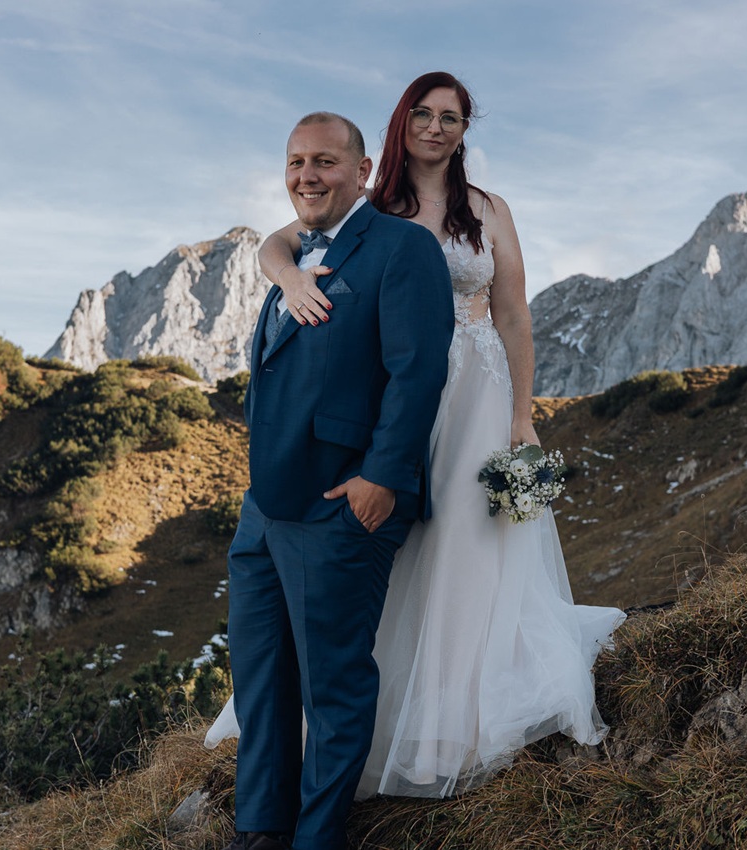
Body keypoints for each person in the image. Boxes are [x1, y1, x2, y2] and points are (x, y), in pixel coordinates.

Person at [212, 73, 625, 804]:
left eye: (451, 118)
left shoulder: (489, 210)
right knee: (384, 548)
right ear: (400, 125)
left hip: (475, 394)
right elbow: (279, 242)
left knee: (466, 543)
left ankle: (448, 723)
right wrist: (288, 280)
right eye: (423, 115)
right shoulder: (370, 206)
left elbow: (513, 313)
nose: (436, 128)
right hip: (393, 393)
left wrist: (522, 415)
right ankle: (363, 713)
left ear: (465, 130)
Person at [215, 111, 454, 850]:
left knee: (333, 686)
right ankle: (260, 828)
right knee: (260, 678)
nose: (306, 175)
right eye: (295, 162)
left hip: (339, 505)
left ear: (362, 171)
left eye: (323, 161)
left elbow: (418, 371)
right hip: (265, 509)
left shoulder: (403, 247)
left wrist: (380, 477)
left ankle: (316, 838)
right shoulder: (293, 253)